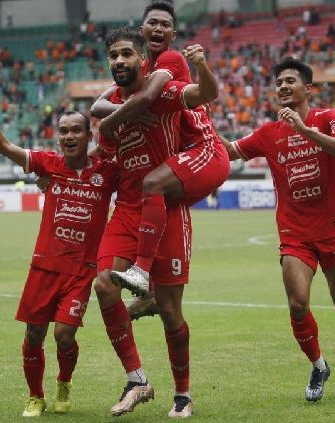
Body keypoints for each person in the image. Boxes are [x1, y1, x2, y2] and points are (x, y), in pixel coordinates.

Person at [0, 81, 120, 417]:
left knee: (64, 335)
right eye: (63, 131)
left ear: (89, 136)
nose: (68, 137)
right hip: (45, 265)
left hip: (82, 270)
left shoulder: (107, 171)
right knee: (34, 333)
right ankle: (35, 396)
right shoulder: (48, 164)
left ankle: (64, 382)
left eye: (75, 131)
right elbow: (5, 148)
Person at [91, 27, 217, 418]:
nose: (119, 61)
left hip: (166, 210)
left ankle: (183, 394)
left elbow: (204, 94)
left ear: (144, 60)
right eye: (113, 56)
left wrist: (201, 68)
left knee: (170, 310)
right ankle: (137, 379)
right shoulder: (111, 103)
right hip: (127, 211)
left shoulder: (162, 91)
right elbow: (103, 152)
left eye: (127, 54)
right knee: (104, 285)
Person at [220, 58, 335, 402]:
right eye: (278, 82)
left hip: (333, 228)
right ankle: (318, 365)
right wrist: (197, 123)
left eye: (289, 81)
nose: (282, 86)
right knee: (298, 305)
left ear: (307, 89)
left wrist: (305, 131)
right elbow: (230, 151)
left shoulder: (327, 118)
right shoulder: (268, 133)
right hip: (295, 234)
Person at [91, 0, 230, 319]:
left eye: (165, 25)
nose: (157, 29)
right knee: (158, 201)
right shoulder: (135, 73)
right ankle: (153, 290)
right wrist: (122, 116)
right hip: (184, 153)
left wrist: (130, 113)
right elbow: (97, 107)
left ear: (173, 33)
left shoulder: (168, 60)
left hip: (202, 149)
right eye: (152, 23)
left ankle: (142, 273)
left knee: (153, 184)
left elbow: (149, 99)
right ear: (142, 30)